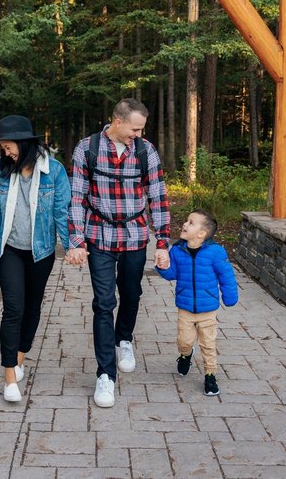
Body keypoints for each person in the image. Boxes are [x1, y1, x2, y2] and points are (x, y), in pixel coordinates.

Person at [65, 98, 171, 408]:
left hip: (136, 235)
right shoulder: (87, 149)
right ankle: (105, 375)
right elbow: (76, 198)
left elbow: (158, 196)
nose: (138, 134)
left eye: (141, 129)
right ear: (117, 121)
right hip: (99, 235)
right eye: (134, 129)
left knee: (131, 293)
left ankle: (124, 338)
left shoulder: (145, 151)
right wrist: (77, 239)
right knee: (103, 303)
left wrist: (162, 241)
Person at [0, 115, 71, 403]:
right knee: (14, 309)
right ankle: (9, 377)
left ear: (25, 144)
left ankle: (19, 358)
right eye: (3, 148)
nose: (6, 153)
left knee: (32, 308)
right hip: (9, 249)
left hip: (41, 252)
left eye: (9, 147)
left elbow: (61, 212)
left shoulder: (53, 171)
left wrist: (72, 246)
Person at [156, 210, 238, 396]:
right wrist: (163, 266)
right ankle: (186, 354)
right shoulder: (177, 250)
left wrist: (230, 297)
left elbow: (226, 275)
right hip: (185, 307)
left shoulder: (215, 252)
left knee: (208, 344)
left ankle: (210, 375)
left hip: (208, 308)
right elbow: (172, 274)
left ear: (202, 233)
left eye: (191, 222)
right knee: (183, 341)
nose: (185, 224)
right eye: (186, 221)